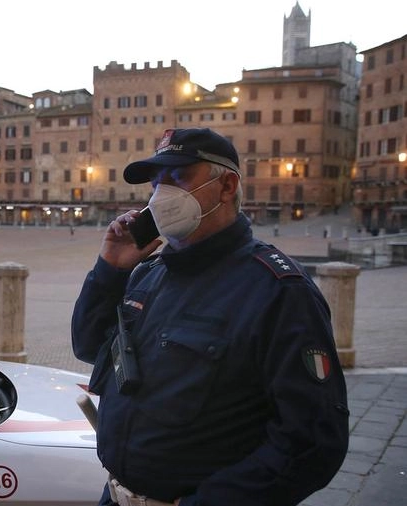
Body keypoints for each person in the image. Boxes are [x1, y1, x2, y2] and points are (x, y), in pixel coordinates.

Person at [70, 128, 349, 506]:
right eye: (156, 182)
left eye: (178, 177)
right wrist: (110, 270)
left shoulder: (279, 291)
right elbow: (90, 346)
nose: (160, 194)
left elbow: (313, 441)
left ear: (227, 186)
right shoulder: (150, 274)